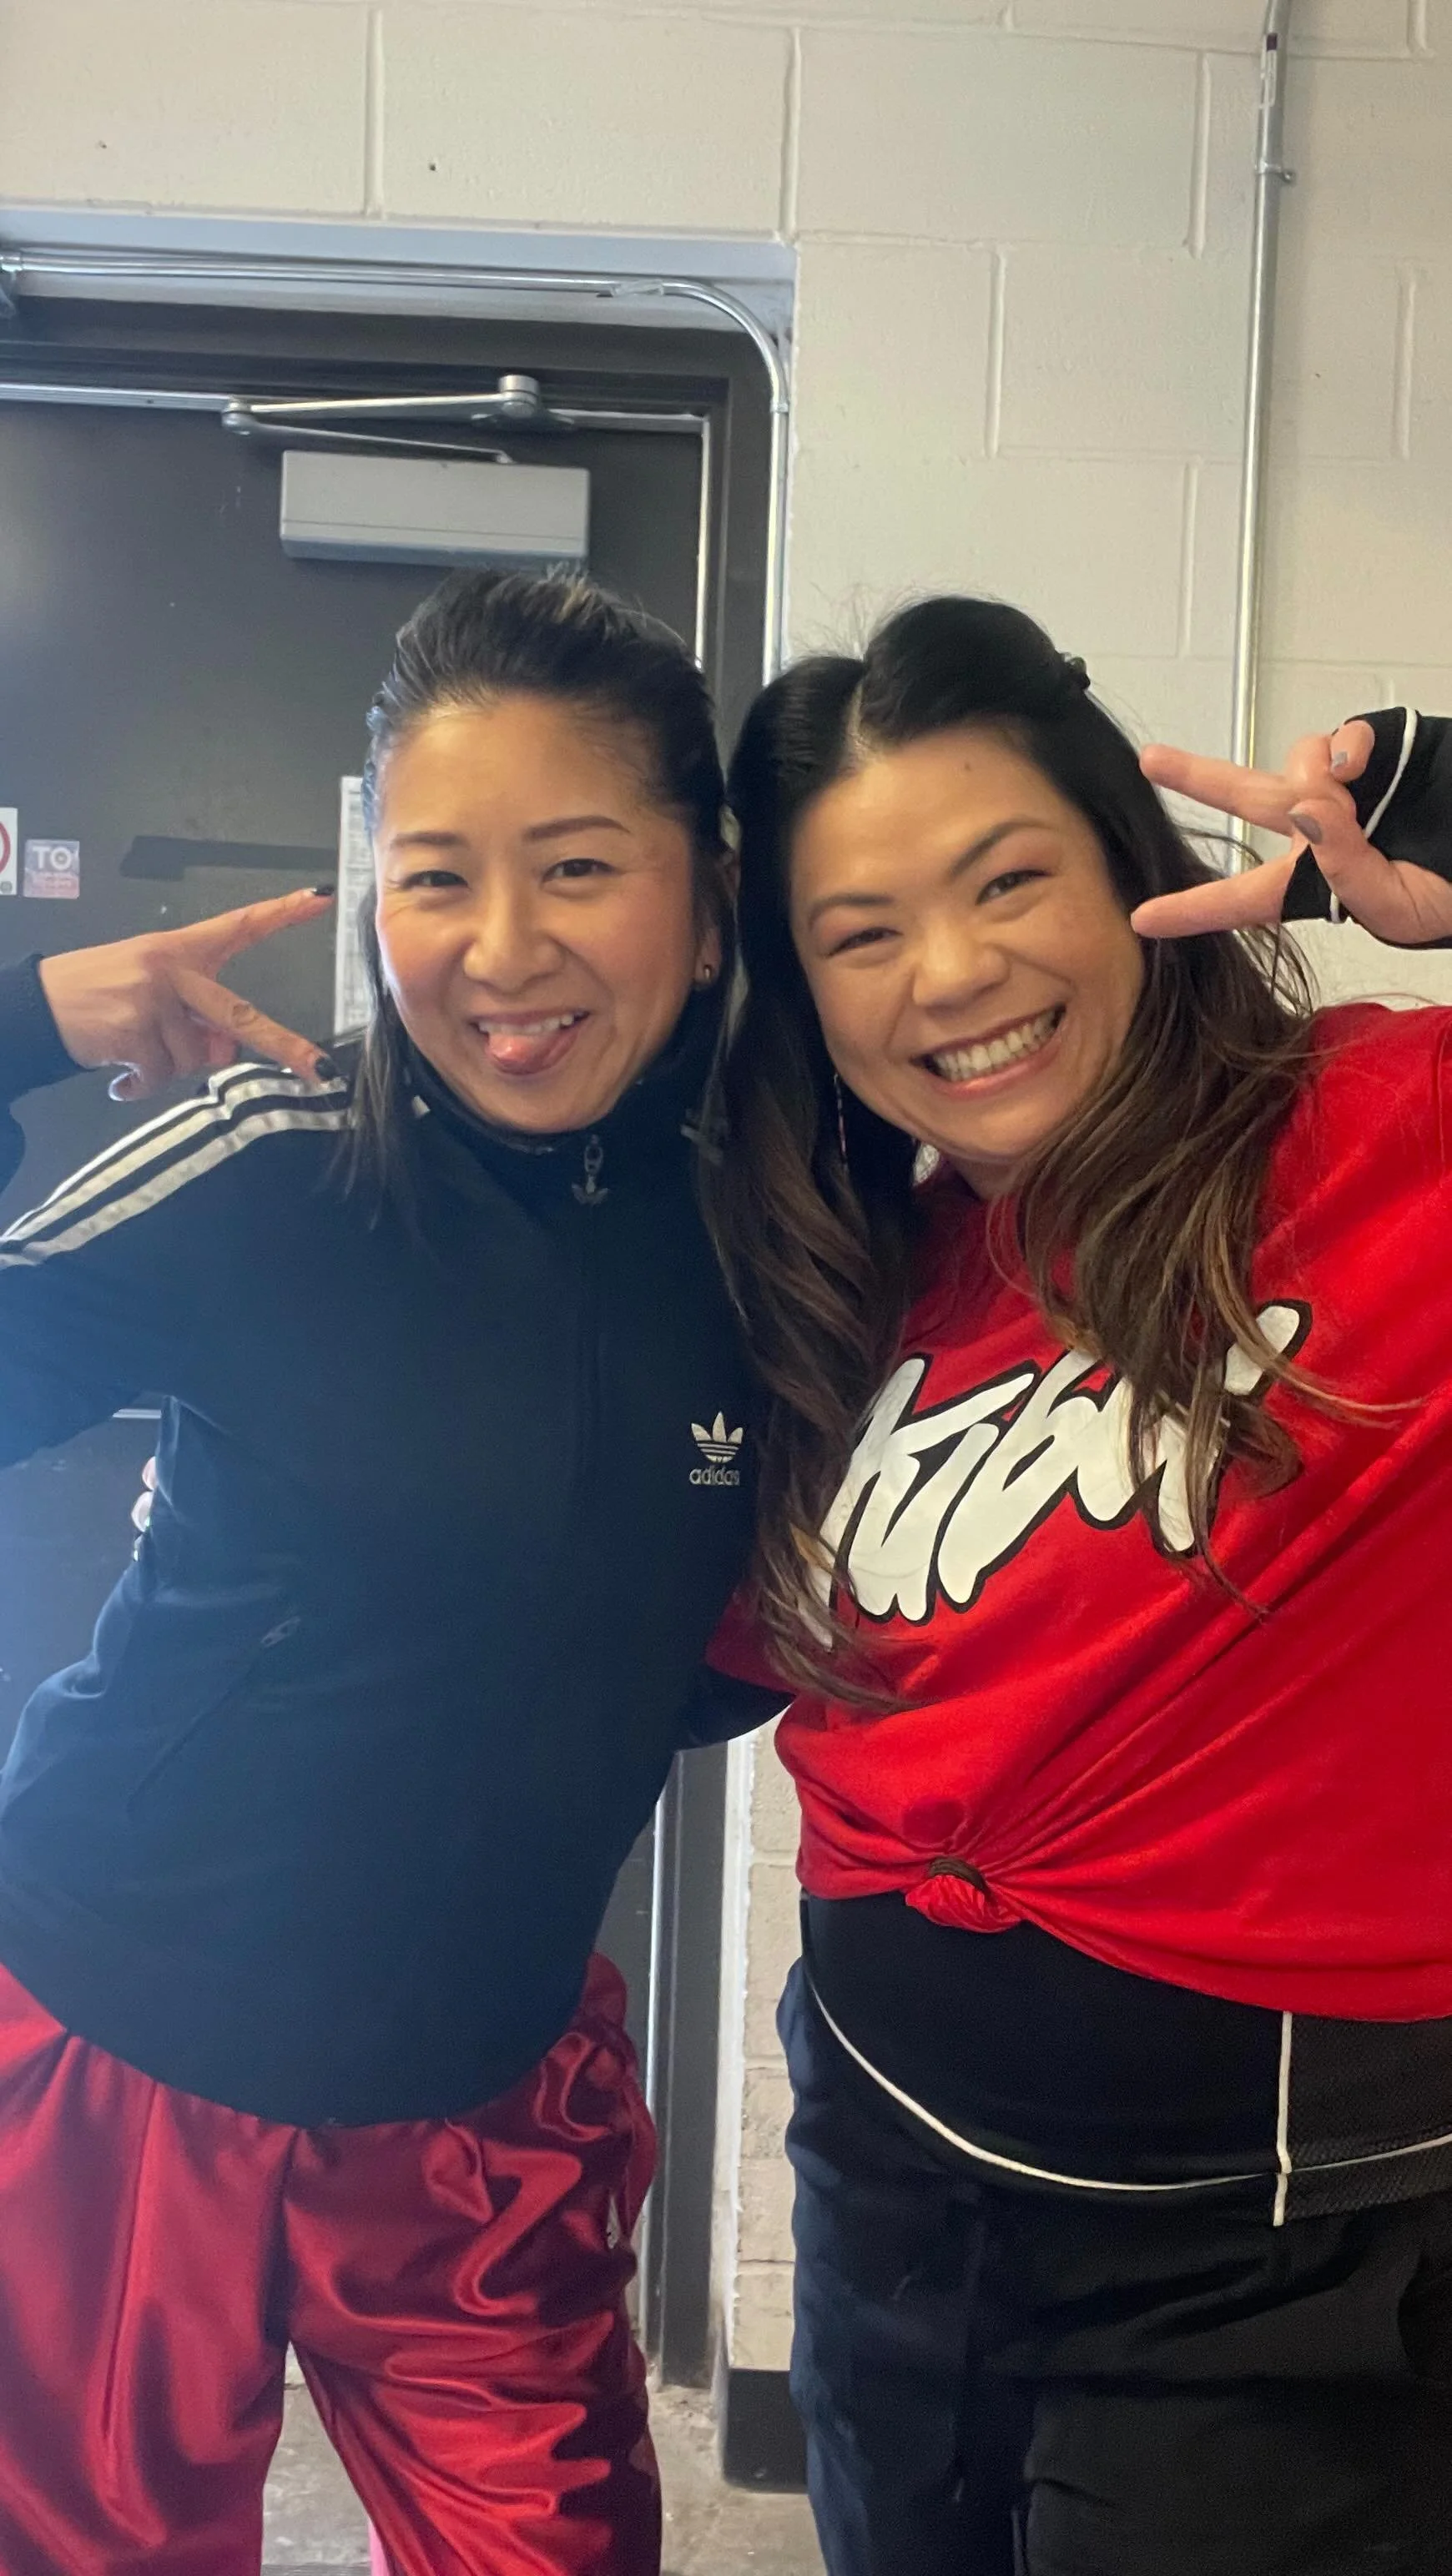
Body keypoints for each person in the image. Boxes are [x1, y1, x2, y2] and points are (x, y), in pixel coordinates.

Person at [0, 569, 774, 2576]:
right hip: (117, 2054)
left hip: (479, 2098)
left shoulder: (779, 1223)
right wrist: (17, 1019)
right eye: (436, 876)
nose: (500, 948)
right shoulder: (271, 1160)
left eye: (577, 865)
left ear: (709, 897)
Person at [706, 598, 1452, 2576]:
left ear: (1131, 867)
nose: (952, 972)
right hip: (890, 2195)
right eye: (861, 930)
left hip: (1272, 2259)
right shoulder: (850, 1273)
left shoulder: (1389, 1130)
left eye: (1006, 879)